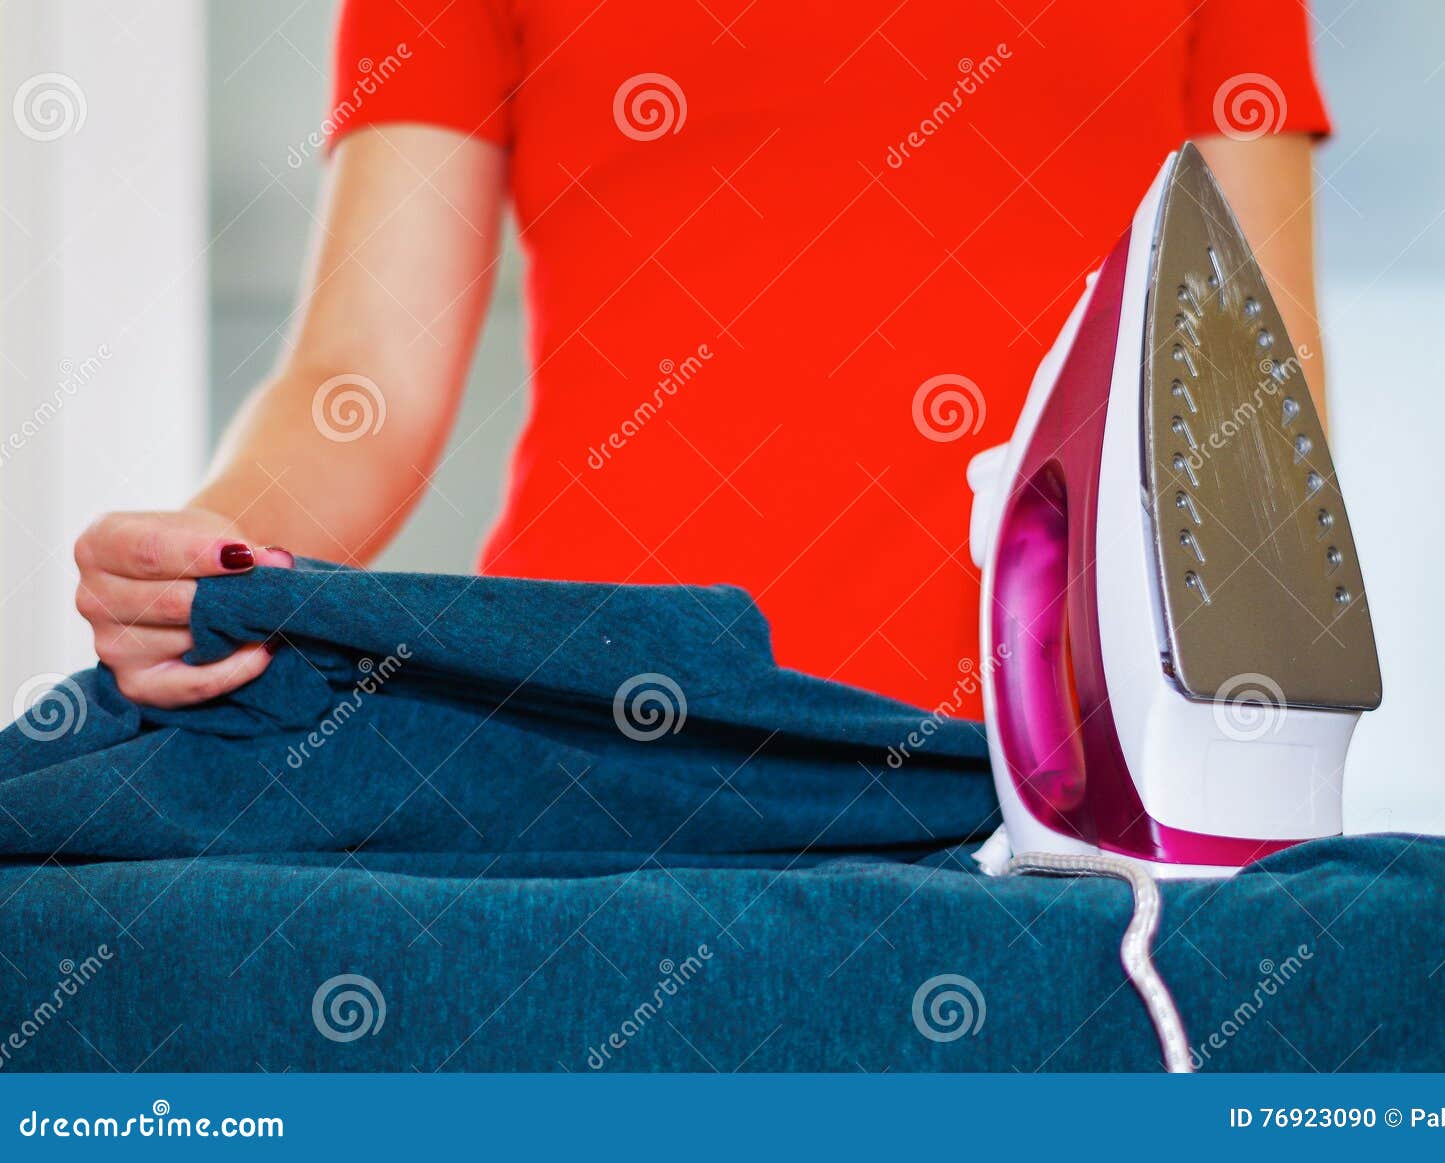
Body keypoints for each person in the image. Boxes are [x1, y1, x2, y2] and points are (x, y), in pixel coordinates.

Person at [73, 0, 1332, 713]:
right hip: (604, 737)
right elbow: (365, 385)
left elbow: (1261, 394)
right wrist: (209, 556)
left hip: (1064, 754)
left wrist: (1248, 732)